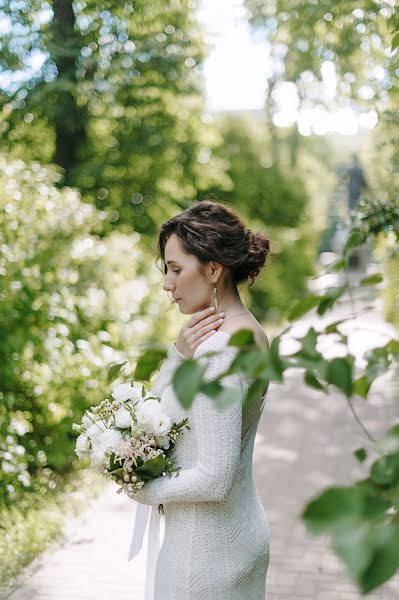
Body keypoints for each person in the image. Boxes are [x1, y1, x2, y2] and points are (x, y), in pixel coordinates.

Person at [130, 200, 271, 600]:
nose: (166, 284)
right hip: (236, 538)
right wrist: (177, 355)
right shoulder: (250, 332)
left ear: (212, 269)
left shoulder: (220, 348)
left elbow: (214, 476)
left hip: (203, 554)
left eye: (176, 269)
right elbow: (161, 415)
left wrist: (147, 490)